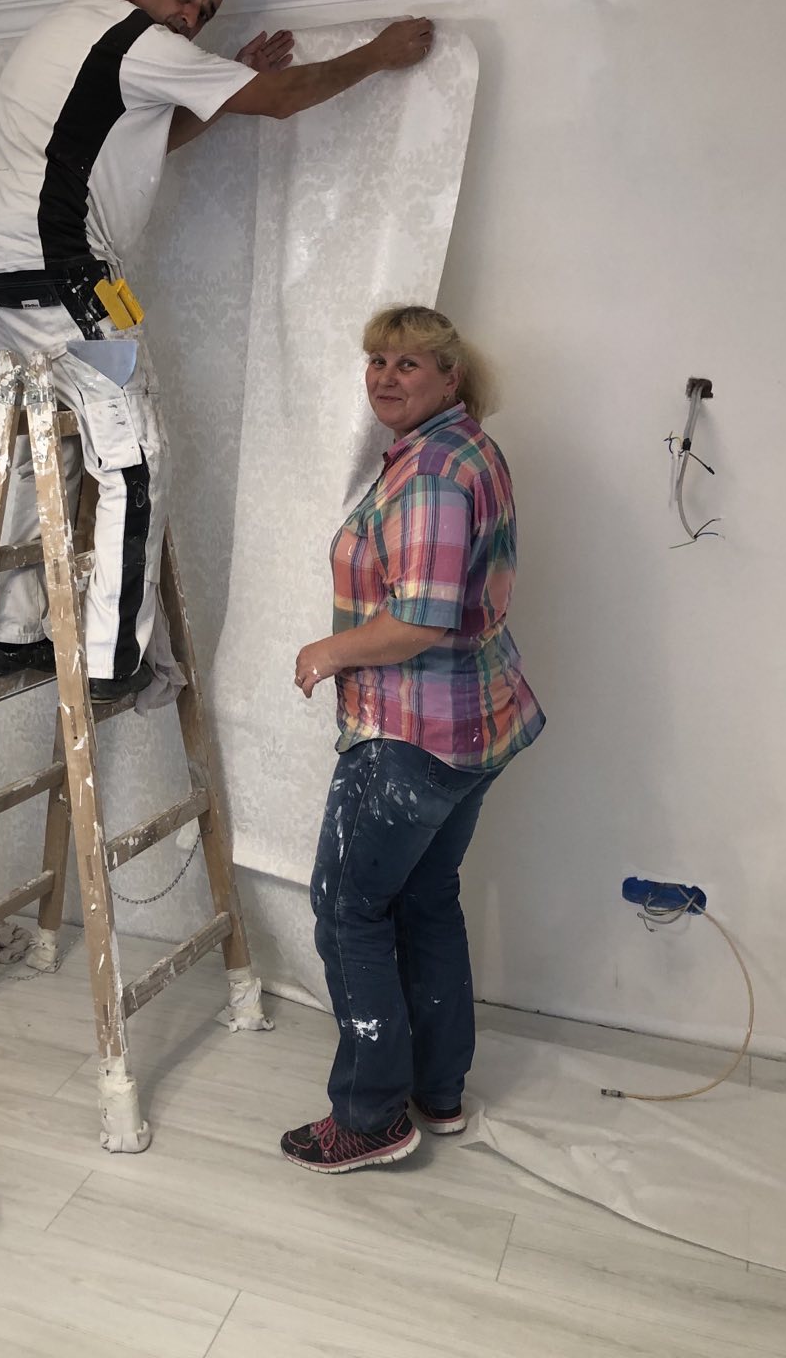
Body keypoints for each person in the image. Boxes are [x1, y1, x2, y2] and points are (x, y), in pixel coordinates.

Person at [0, 0, 435, 701]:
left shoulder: (75, 26)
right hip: (64, 278)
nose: (191, 17)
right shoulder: (137, 40)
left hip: (2, 283)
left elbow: (154, 138)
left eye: (204, 11)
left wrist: (225, 80)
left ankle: (12, 634)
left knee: (52, 441)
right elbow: (280, 100)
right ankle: (111, 661)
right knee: (136, 457)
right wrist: (377, 55)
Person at [280, 304, 545, 1173]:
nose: (387, 378)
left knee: (347, 910)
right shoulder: (468, 447)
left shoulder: (430, 470)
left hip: (412, 735)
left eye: (409, 364)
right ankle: (439, 1091)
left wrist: (326, 652)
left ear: (449, 375)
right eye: (377, 361)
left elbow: (421, 620)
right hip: (475, 726)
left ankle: (369, 1116)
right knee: (428, 898)